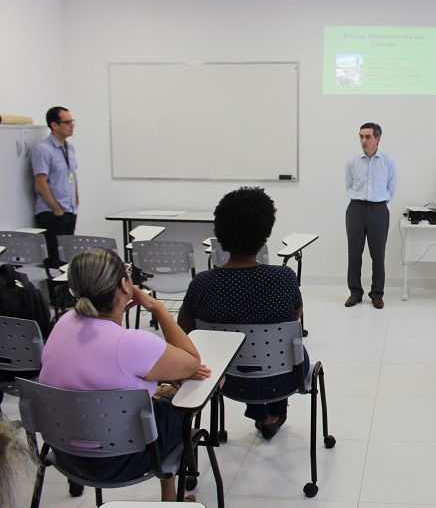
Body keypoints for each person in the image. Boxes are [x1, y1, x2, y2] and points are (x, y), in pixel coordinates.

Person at [38, 247, 209, 502]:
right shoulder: (131, 343)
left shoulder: (63, 321)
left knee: (156, 402)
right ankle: (171, 498)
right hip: (124, 458)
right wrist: (157, 308)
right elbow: (192, 362)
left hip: (65, 454)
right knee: (180, 403)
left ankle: (171, 495)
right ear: (124, 284)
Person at [178, 187, 308, 440]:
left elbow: (185, 332)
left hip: (225, 380)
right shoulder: (283, 278)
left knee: (235, 351)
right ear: (266, 232)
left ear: (220, 233)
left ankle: (263, 416)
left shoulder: (202, 283)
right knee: (286, 348)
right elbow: (292, 320)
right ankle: (276, 411)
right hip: (283, 379)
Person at [344, 122, 397, 309]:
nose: (363, 141)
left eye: (367, 137)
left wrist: (378, 205)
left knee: (378, 255)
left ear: (378, 139)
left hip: (379, 211)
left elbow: (391, 188)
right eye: (361, 136)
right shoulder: (352, 161)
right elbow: (348, 186)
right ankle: (355, 293)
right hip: (356, 209)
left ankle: (377, 294)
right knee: (354, 254)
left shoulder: (388, 161)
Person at [30, 107, 79, 267]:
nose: (72, 125)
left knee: (68, 259)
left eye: (72, 121)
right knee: (55, 261)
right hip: (52, 213)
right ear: (54, 125)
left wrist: (76, 200)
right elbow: (40, 182)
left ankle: (68, 286)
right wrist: (56, 209)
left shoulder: (69, 148)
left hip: (69, 209)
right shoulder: (43, 150)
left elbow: (72, 174)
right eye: (67, 122)